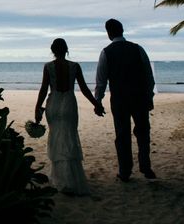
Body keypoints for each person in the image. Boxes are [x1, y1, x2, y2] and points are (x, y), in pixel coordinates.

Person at [35, 38, 104, 196]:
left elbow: (44, 89)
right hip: (69, 105)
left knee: (56, 138)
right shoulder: (74, 66)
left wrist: (37, 107)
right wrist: (96, 104)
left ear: (53, 50)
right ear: (66, 50)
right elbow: (85, 89)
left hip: (53, 105)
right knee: (69, 138)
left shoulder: (48, 67)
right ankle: (71, 178)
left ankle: (60, 178)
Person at [95, 19, 156, 182]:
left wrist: (98, 101)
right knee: (143, 132)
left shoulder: (106, 52)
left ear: (109, 33)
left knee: (122, 134)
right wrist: (149, 96)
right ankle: (145, 166)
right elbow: (149, 76)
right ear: (122, 30)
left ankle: (125, 170)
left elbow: (101, 81)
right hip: (139, 97)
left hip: (119, 99)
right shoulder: (138, 49)